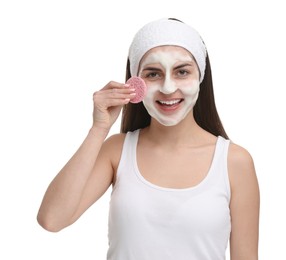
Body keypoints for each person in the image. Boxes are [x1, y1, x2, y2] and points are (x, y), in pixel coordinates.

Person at [37, 18, 260, 260]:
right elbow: (52, 219)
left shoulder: (234, 161)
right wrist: (99, 129)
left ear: (201, 77)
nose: (167, 87)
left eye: (182, 71)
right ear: (136, 83)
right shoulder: (117, 151)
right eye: (153, 74)